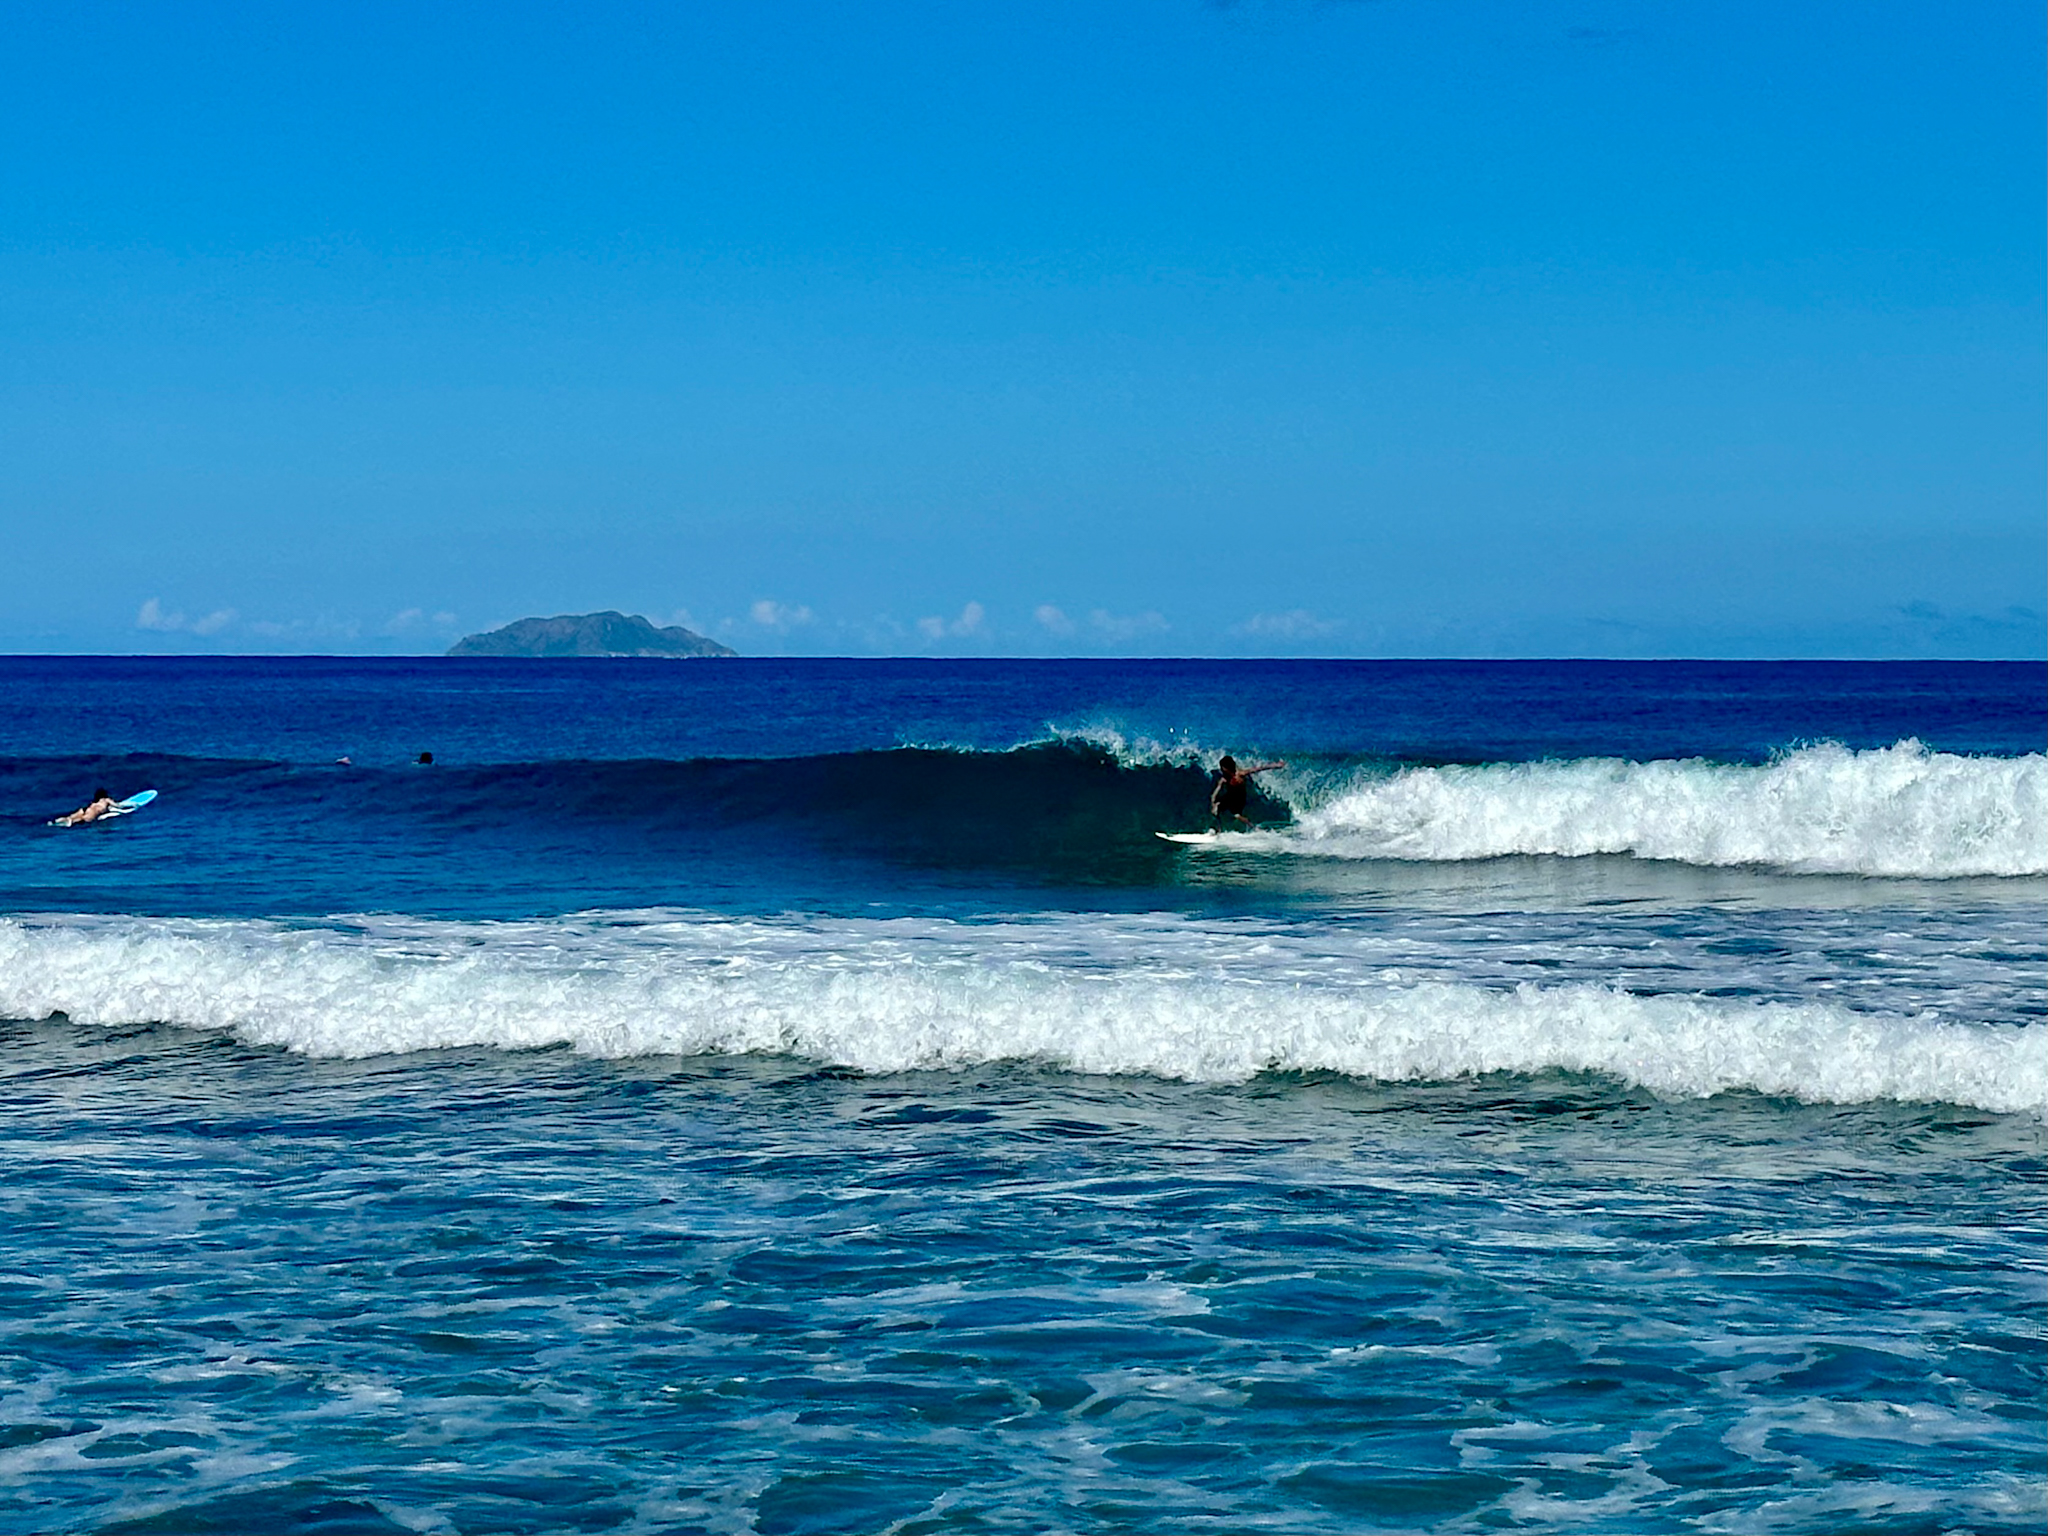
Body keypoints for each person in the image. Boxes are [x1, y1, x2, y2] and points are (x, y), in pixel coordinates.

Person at [1209, 754, 1285, 829]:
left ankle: (1252, 826)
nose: (1221, 769)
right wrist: (1213, 800)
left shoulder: (1240, 774)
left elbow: (1258, 769)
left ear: (1227, 768)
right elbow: (1217, 789)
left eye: (1222, 767)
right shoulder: (1224, 778)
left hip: (1240, 797)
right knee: (1215, 810)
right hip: (1229, 796)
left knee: (1236, 815)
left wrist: (1276, 765)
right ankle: (1218, 830)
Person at [54, 787, 121, 826]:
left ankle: (57, 821)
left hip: (86, 808)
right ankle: (70, 822)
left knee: (71, 816)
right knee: (84, 819)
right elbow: (118, 806)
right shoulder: (106, 800)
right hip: (94, 811)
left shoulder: (94, 801)